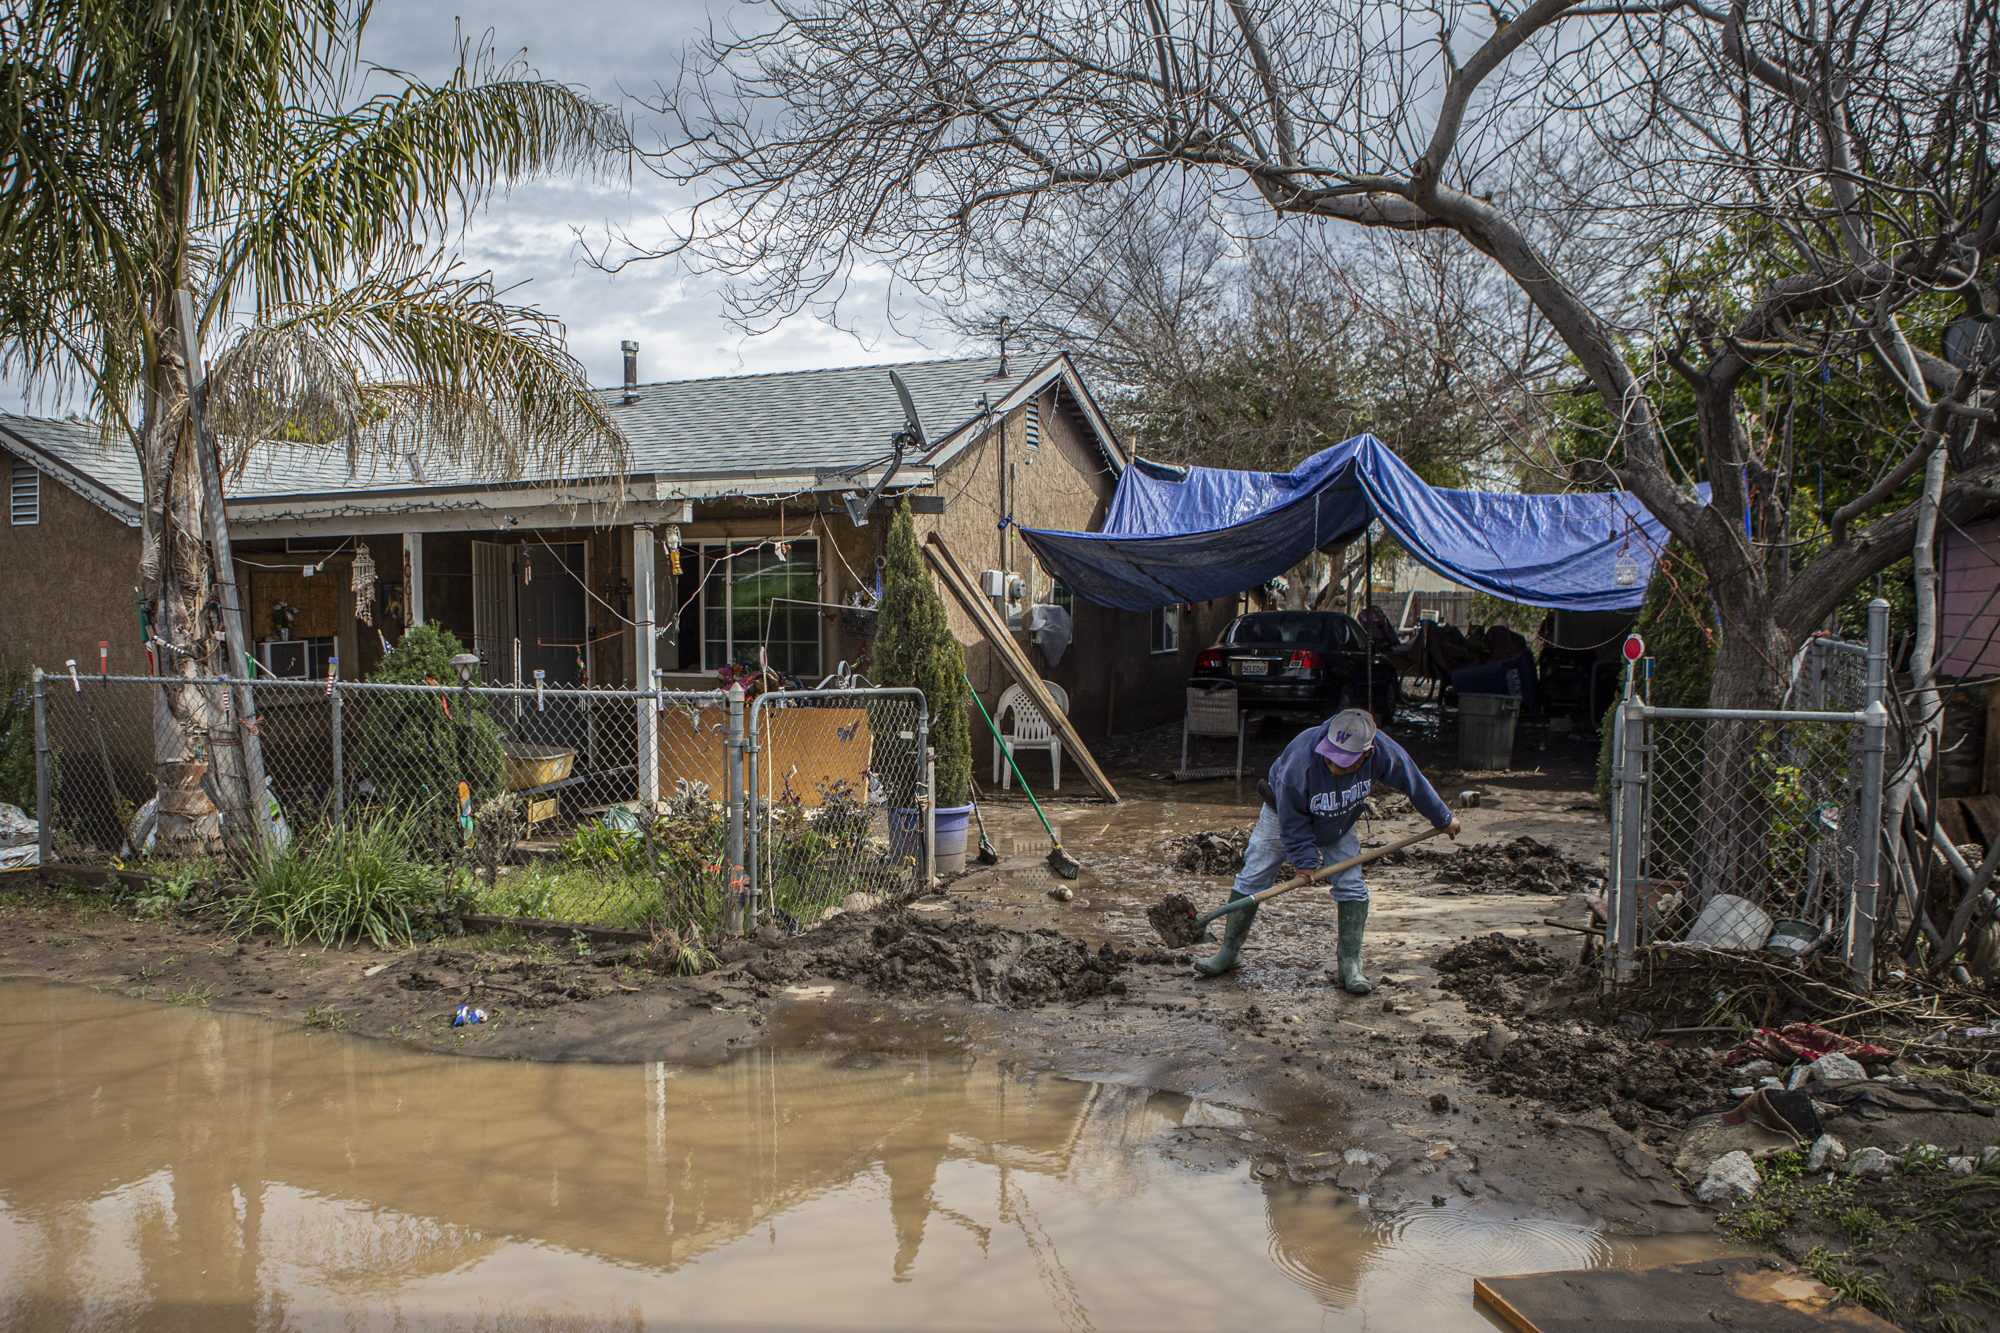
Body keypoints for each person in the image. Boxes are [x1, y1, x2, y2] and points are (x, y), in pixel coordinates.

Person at [1196, 708, 1459, 992]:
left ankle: (1350, 963)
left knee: (1351, 884)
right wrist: (1304, 861)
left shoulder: (1382, 751)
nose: (1334, 766)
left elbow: (1412, 780)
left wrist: (1443, 819)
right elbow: (1292, 819)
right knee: (1254, 876)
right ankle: (1228, 952)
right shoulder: (1299, 763)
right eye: (1330, 758)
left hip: (1339, 819)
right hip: (1281, 813)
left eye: (1344, 764)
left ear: (1367, 753)